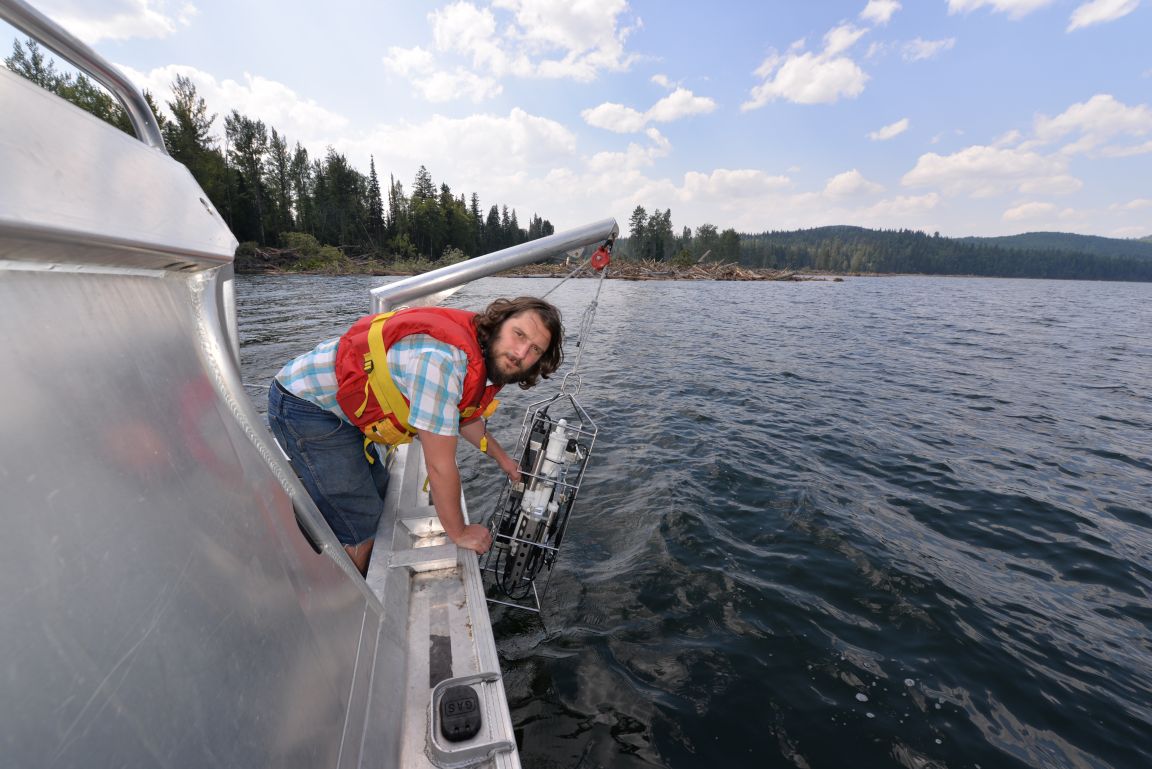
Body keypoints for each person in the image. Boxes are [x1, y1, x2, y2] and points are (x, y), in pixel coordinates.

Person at [267, 296, 564, 575]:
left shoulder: (482, 356)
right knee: (362, 525)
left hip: (342, 411)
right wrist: (459, 532)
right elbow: (439, 466)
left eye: (535, 349)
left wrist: (503, 460)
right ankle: (344, 602)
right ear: (499, 323)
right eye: (519, 334)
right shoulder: (442, 362)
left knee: (380, 492)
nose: (521, 353)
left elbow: (466, 416)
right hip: (305, 404)